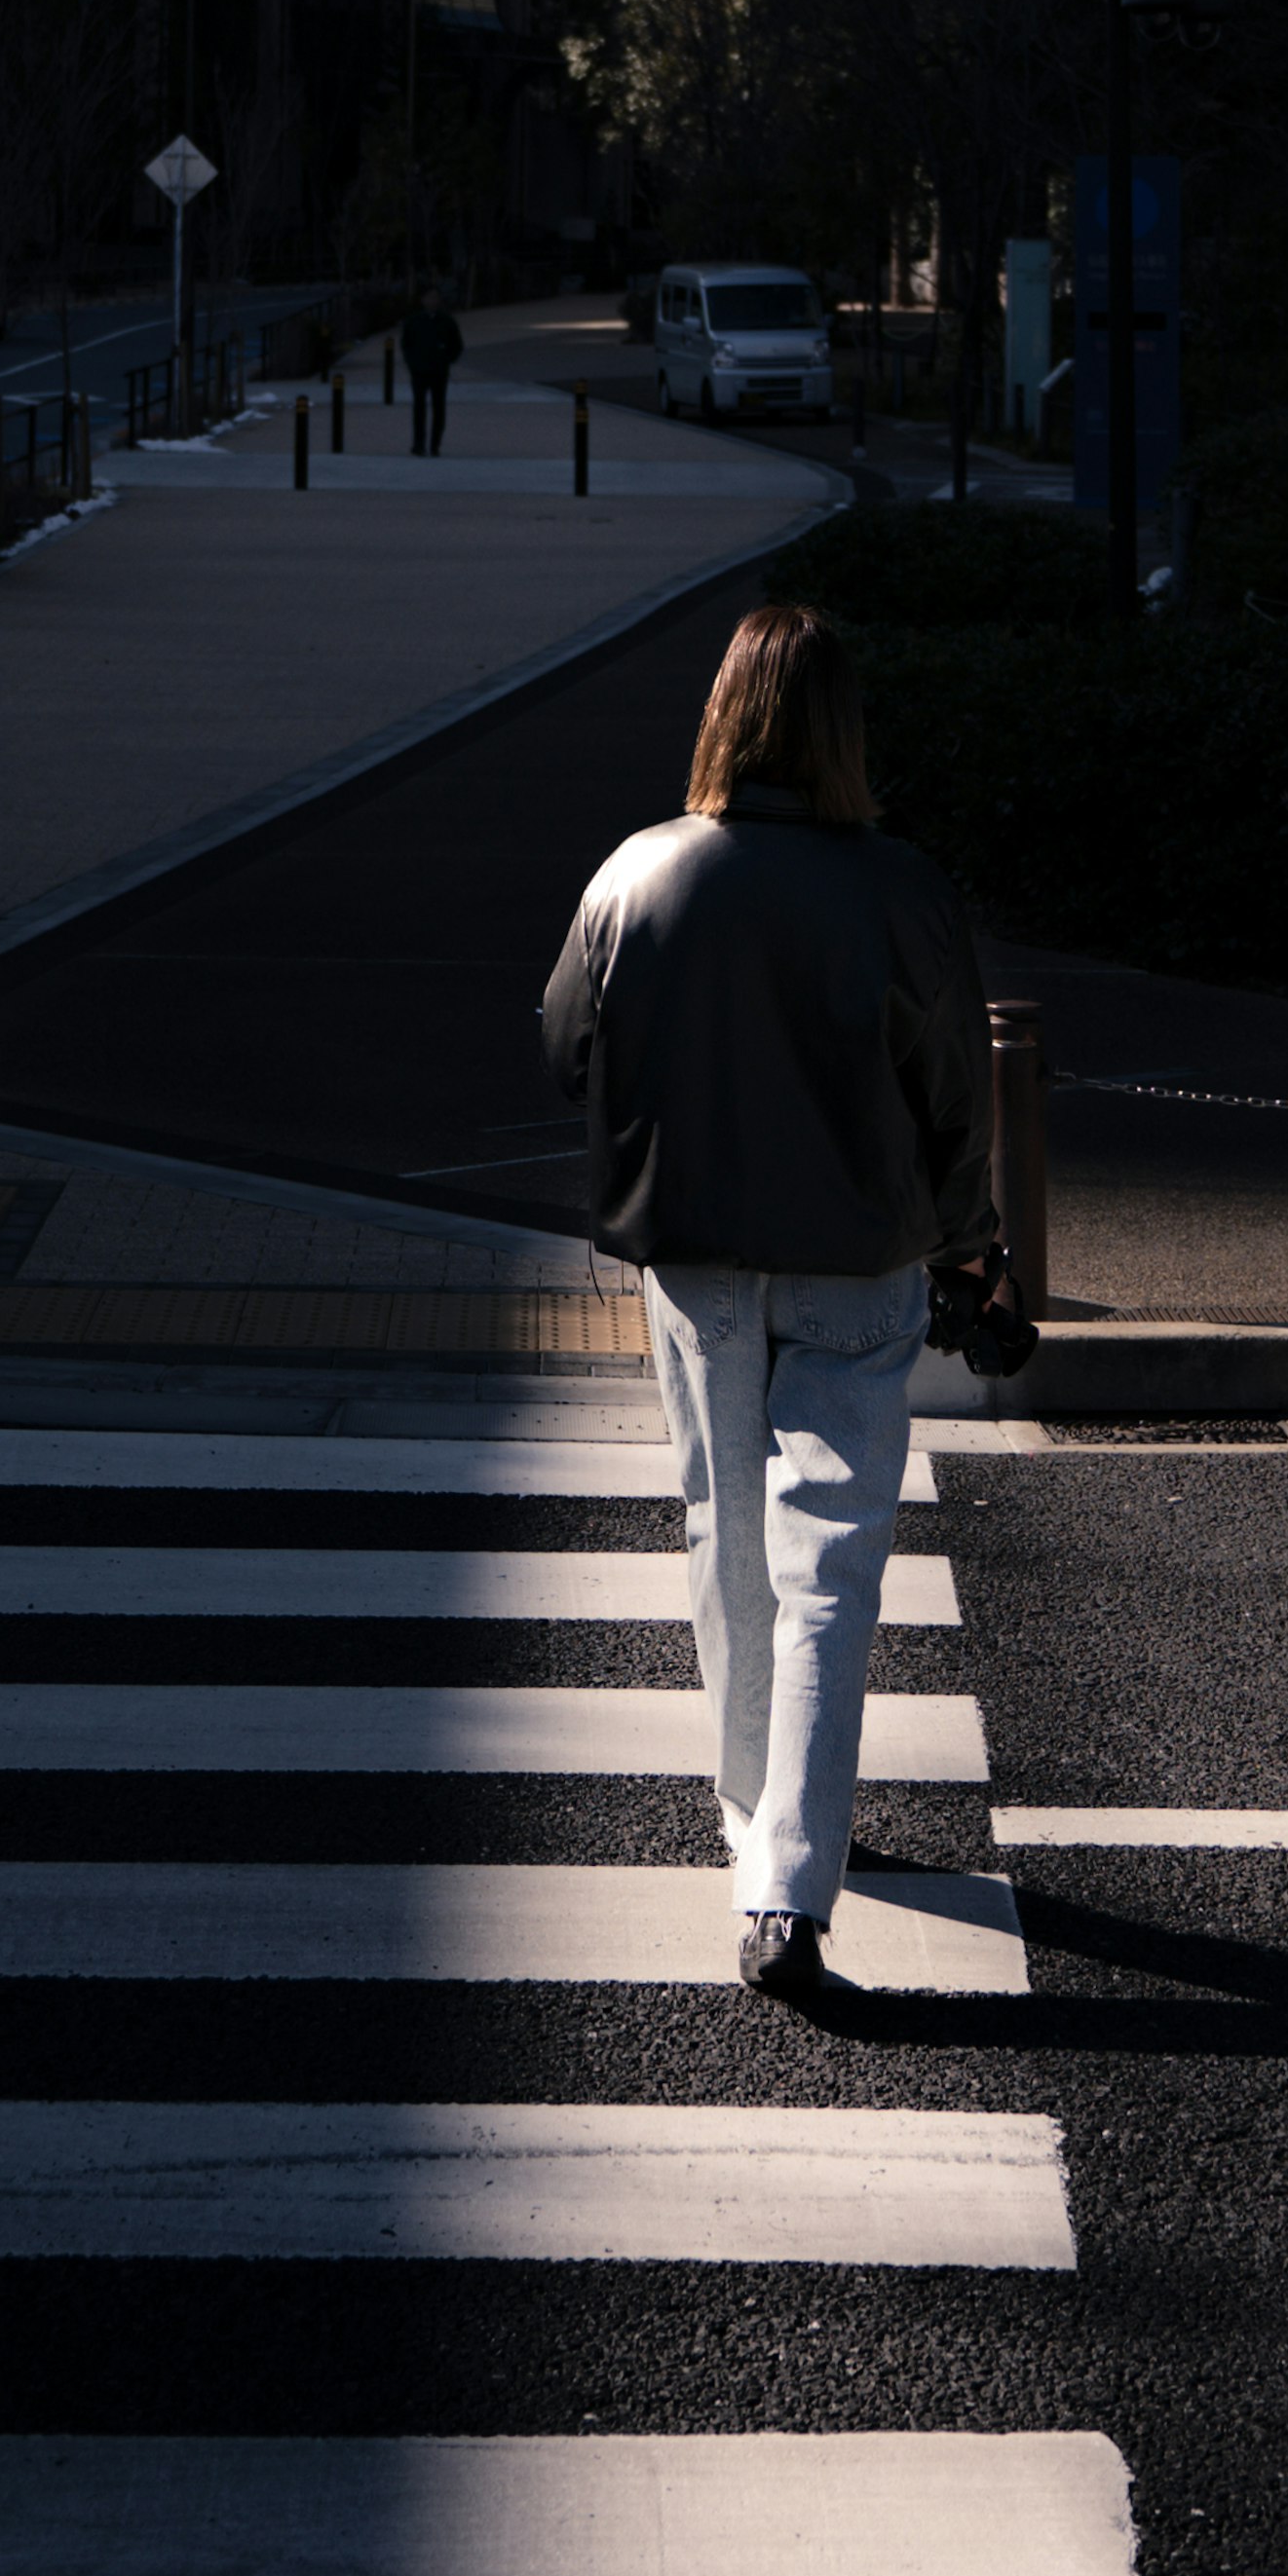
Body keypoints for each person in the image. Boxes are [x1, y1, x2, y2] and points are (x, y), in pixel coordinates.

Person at [540, 599, 996, 2003]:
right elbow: (956, 1106)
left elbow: (567, 1040)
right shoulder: (904, 890)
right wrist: (974, 1246)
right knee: (831, 1565)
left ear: (723, 720)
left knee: (723, 1539)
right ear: (846, 734)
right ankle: (790, 1885)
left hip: (696, 1260)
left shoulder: (637, 874)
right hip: (862, 1263)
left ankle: (756, 1829)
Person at [398, 285, 463, 458]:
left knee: (438, 408)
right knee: (419, 408)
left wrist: (446, 360)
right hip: (419, 371)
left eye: (435, 298)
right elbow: (406, 345)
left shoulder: (447, 322)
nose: (432, 301)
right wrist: (412, 363)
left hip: (439, 371)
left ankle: (435, 445)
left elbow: (457, 346)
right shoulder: (413, 321)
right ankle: (418, 444)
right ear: (423, 300)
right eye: (429, 297)